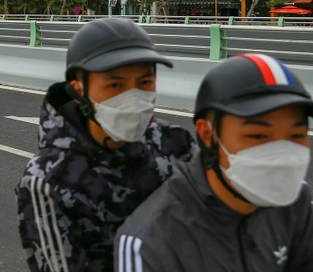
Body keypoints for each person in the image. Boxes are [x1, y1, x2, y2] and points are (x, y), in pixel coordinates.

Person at [115, 53, 313, 271]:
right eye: (258, 136)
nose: (282, 157)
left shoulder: (295, 201)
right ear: (207, 133)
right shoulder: (152, 239)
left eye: (296, 136)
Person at [16, 18, 196, 272]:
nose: (133, 97)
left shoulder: (174, 141)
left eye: (145, 82)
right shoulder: (48, 180)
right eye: (115, 85)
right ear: (79, 91)